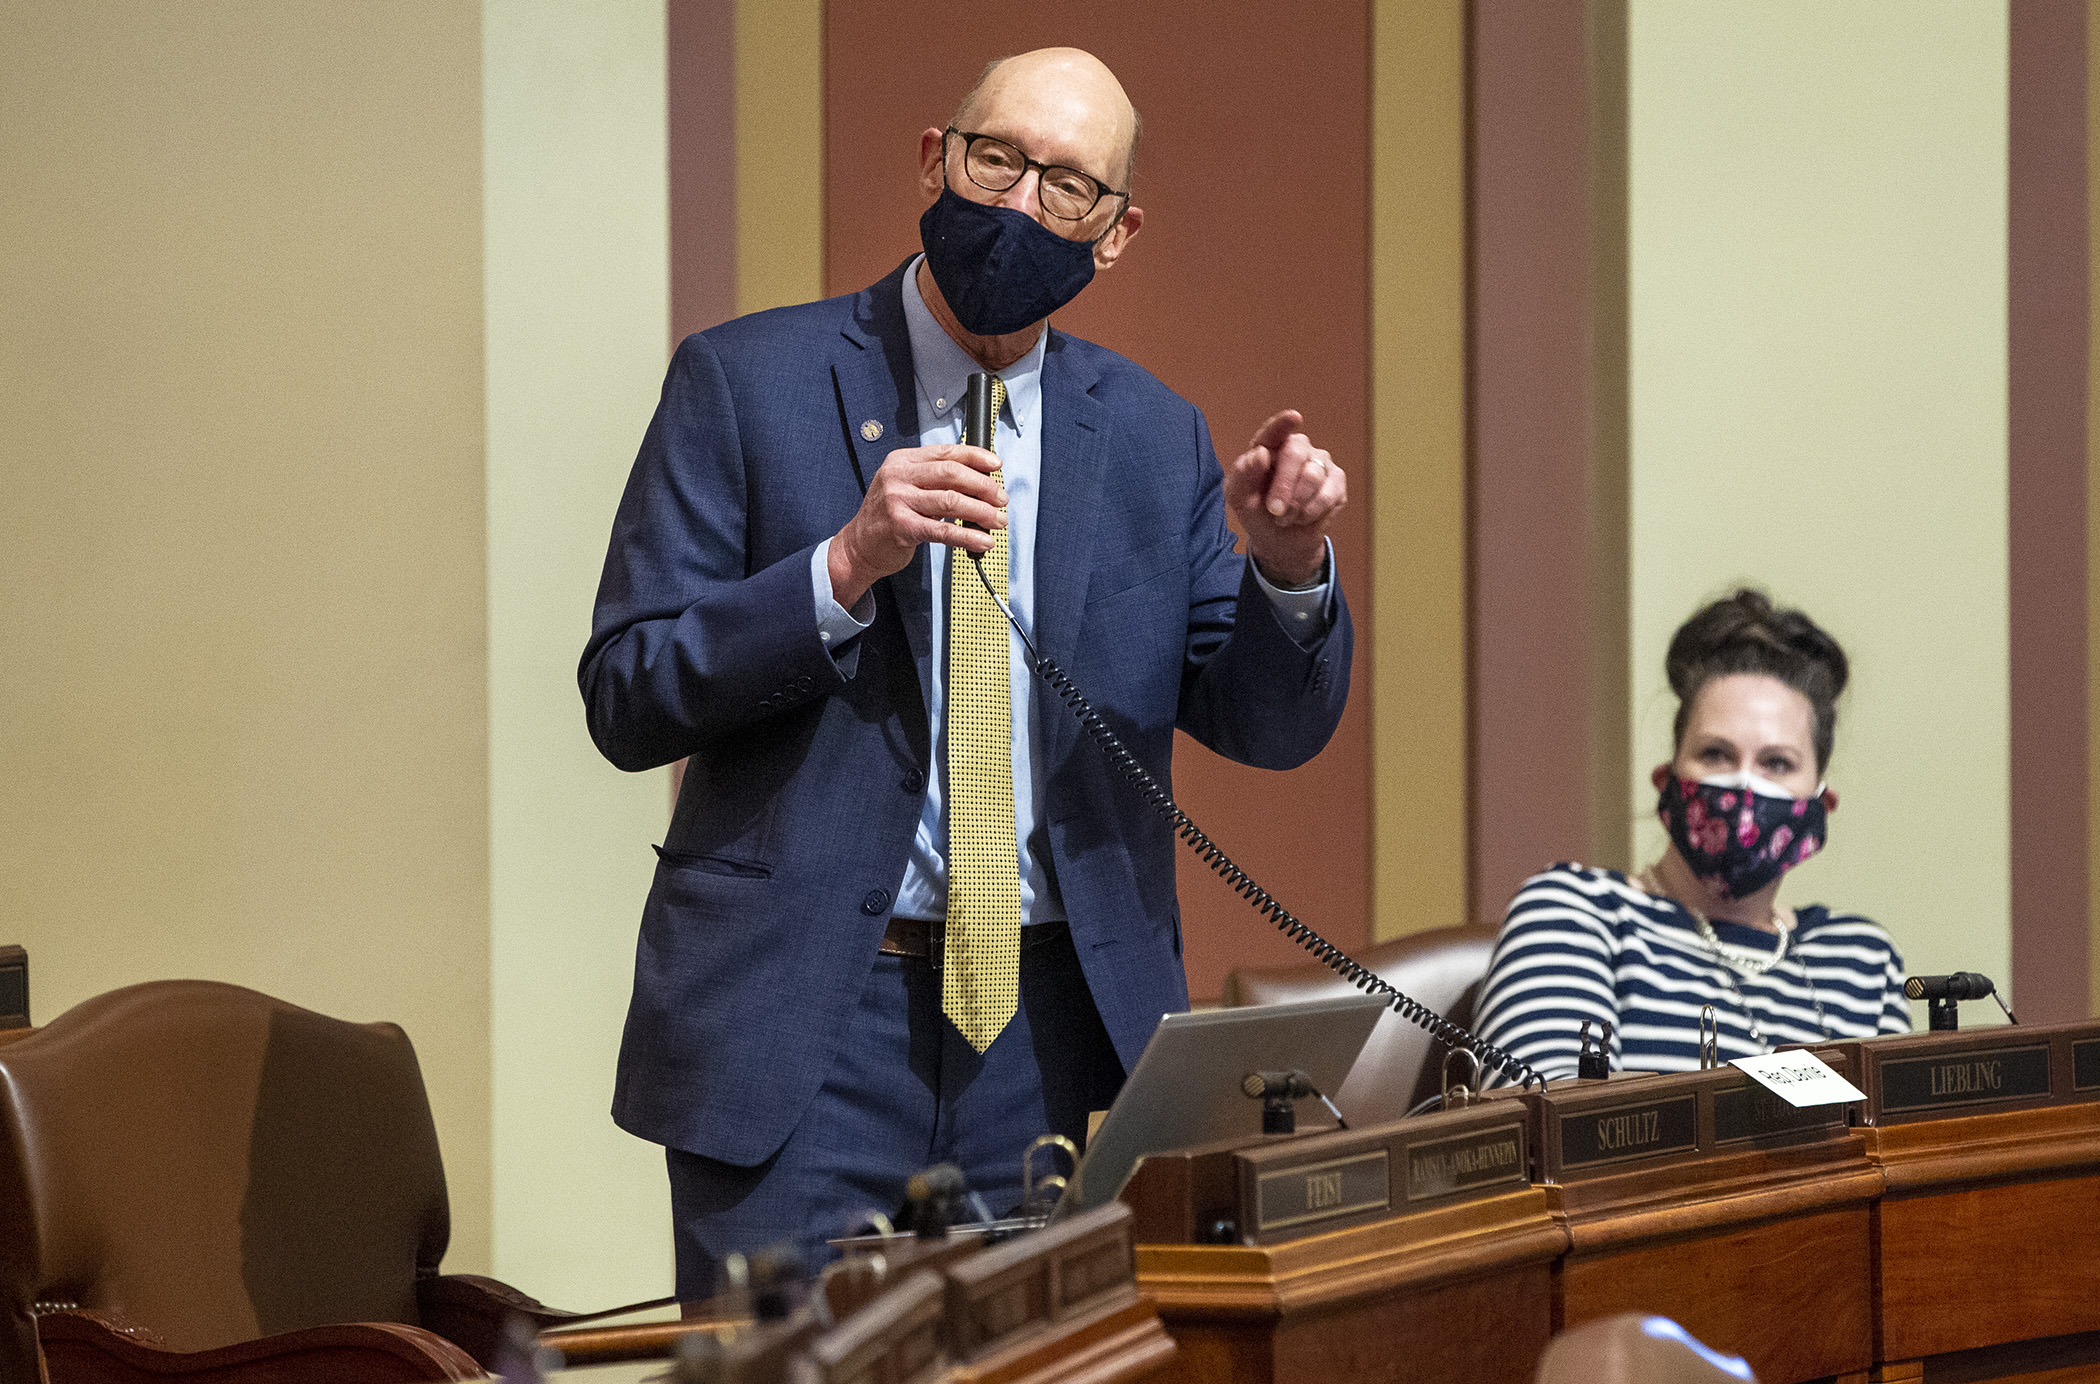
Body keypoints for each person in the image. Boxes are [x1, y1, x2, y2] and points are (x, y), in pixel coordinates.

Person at [579, 48, 1351, 1293]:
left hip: (1052, 1037)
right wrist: (840, 565)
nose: (1019, 203)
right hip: (810, 1028)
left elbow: (1266, 722)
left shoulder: (1156, 436)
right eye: (997, 159)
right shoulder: (746, 380)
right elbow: (627, 690)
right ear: (933, 160)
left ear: (1116, 233)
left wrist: (1289, 564)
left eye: (1067, 186)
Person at [1474, 589, 1908, 1082]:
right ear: (1668, 780)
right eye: (1716, 755)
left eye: (1776, 763)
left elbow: (1899, 1144)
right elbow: (1550, 1121)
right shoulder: (1577, 910)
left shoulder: (1861, 961)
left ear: (1820, 806)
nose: (1744, 785)